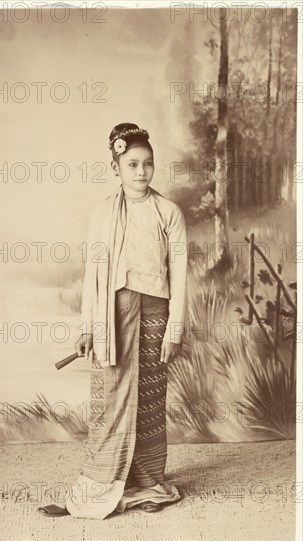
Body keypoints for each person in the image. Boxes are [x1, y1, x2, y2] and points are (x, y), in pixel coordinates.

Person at [38, 123, 188, 519]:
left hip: (156, 313)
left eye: (148, 164)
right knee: (110, 402)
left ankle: (149, 484)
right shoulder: (102, 213)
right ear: (115, 166)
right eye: (132, 164)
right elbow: (93, 274)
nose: (141, 172)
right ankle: (93, 491)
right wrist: (88, 327)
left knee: (151, 401)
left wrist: (174, 329)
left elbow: (181, 276)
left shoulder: (168, 213)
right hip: (112, 316)